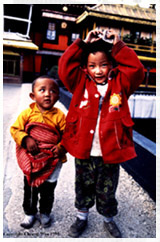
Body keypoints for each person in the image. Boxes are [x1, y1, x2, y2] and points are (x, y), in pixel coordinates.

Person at [58, 28, 145, 238]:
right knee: (82, 186)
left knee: (107, 190)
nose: (98, 70)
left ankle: (108, 219)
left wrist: (118, 46)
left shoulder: (120, 83)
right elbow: (64, 68)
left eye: (103, 65)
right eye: (92, 66)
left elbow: (136, 70)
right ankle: (81, 218)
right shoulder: (79, 82)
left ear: (112, 65)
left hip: (110, 150)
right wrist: (82, 44)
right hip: (84, 149)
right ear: (86, 67)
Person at [10, 76, 66, 229]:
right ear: (33, 96)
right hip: (32, 159)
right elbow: (15, 129)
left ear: (58, 97)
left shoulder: (60, 116)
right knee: (31, 187)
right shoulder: (27, 114)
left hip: (52, 159)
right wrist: (26, 138)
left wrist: (61, 146)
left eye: (53, 91)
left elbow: (68, 135)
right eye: (42, 90)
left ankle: (45, 212)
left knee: (48, 189)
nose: (48, 94)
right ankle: (29, 213)